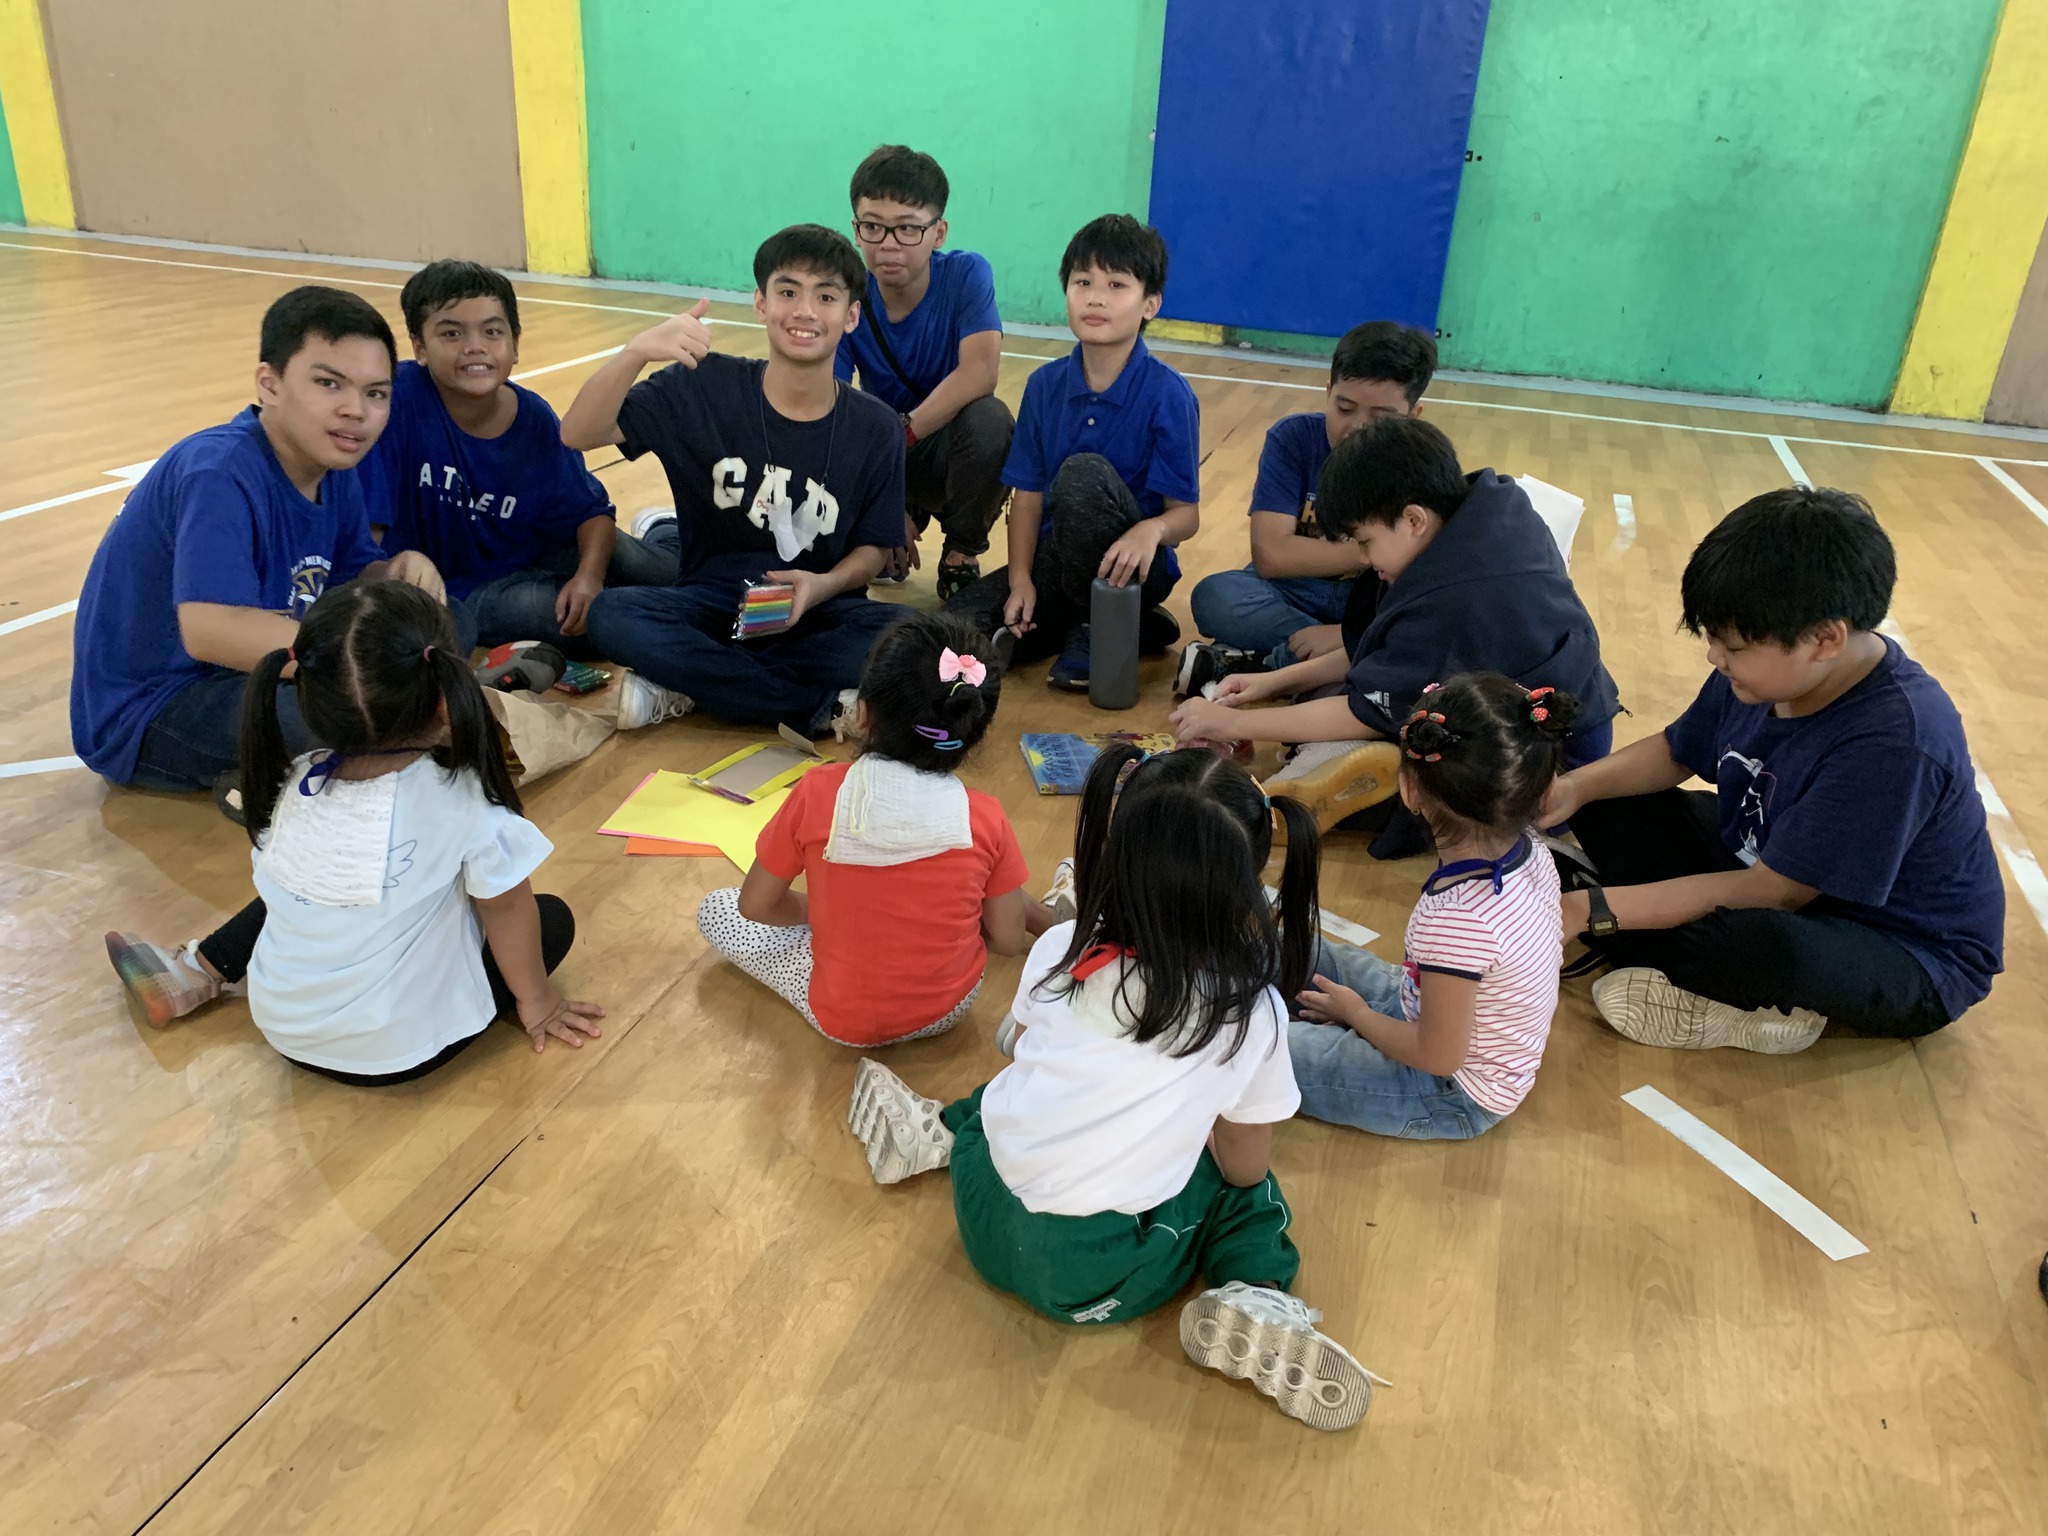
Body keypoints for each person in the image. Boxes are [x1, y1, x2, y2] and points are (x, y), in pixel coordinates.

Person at [844, 747, 1389, 1431]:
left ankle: (938, 1131)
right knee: (1249, 1191)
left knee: (1026, 1082)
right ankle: (1253, 1290)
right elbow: (1244, 1161)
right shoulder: (1249, 1013)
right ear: (1249, 884)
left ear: (1115, 850)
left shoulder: (1065, 944)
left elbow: (1014, 1043)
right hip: (1087, 1272)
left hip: (981, 1206)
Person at [1544, 488, 2004, 1052]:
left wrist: (1594, 907)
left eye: (1731, 646)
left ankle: (1749, 1005)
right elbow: (1677, 751)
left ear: (1824, 639)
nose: (1716, 657)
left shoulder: (1897, 741)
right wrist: (1574, 787)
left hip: (1897, 946)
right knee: (1606, 805)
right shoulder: (1766, 673)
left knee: (1749, 946)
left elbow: (1777, 893)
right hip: (1774, 856)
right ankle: (1649, 939)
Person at [103, 581, 603, 1084]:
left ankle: (195, 972)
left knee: (320, 886)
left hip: (285, 1029)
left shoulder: (298, 779)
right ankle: (200, 973)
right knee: (547, 917)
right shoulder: (464, 801)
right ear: (444, 699)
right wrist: (538, 1003)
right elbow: (508, 910)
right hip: (396, 1052)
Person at [70, 286, 449, 797]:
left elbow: (348, 581)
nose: (355, 410)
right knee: (366, 715)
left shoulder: (333, 463)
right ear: (269, 384)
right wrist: (366, 670)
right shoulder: (218, 472)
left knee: (441, 627)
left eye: (375, 393)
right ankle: (259, 776)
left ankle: (262, 774)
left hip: (264, 667)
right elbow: (211, 630)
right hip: (158, 707)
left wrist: (399, 571)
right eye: (328, 384)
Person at [1170, 416, 1618, 834]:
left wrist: (1234, 726)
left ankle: (1336, 780)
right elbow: (1386, 652)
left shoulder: (1454, 601)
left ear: (1414, 519)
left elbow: (1365, 709)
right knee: (1329, 702)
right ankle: (1328, 761)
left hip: (1546, 778)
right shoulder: (1490, 508)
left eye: (1365, 542)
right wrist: (1270, 683)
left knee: (1410, 763)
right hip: (1564, 727)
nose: (1362, 559)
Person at [571, 226, 906, 734]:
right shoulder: (702, 385)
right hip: (712, 604)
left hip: (817, 612)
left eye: (827, 297)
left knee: (916, 637)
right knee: (612, 615)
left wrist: (822, 586)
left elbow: (875, 551)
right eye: (787, 291)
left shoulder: (877, 426)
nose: (805, 312)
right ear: (760, 302)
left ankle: (692, 682)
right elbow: (578, 432)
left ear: (852, 314)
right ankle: (812, 706)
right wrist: (634, 352)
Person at [697, 612, 1043, 1045]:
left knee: (717, 908)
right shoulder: (985, 815)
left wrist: (822, 911)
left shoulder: (817, 791)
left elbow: (756, 906)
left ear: (861, 713)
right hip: (950, 1008)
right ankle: (1062, 925)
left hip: (844, 1020)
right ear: (974, 730)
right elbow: (1009, 941)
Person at [1290, 674, 1571, 1137]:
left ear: (1409, 791)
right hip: (1430, 1011)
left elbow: (1438, 1056)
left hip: (1446, 1091)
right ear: (1541, 792)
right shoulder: (1532, 850)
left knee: (1257, 1049)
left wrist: (1357, 1016)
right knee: (1307, 949)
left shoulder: (1456, 922)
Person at [944, 215, 1200, 691]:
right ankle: (1113, 625)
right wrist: (1021, 580)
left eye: (1117, 285)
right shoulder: (1044, 386)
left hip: (1135, 569)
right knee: (951, 629)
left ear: (1150, 304)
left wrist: (1151, 530)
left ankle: (1104, 621)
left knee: (1081, 476)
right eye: (1083, 281)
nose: (1096, 297)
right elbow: (1027, 498)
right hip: (1055, 565)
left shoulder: (1169, 395)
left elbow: (1185, 515)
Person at [364, 259, 670, 657]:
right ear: (419, 347)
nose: (475, 346)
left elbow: (591, 511)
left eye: (492, 331)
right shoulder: (394, 405)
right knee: (598, 622)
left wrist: (589, 577)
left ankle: (665, 532)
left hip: (543, 547)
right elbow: (363, 533)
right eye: (451, 333)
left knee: (662, 573)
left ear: (515, 345)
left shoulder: (535, 419)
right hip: (468, 590)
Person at [1180, 322, 1435, 692]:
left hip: (1369, 601)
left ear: (1414, 416)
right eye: (1344, 407)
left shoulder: (1423, 463)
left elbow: (1421, 575)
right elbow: (1271, 555)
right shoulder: (1294, 438)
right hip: (1291, 589)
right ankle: (1345, 657)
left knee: (1419, 623)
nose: (1358, 428)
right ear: (1328, 392)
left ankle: (1267, 665)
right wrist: (1376, 551)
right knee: (1216, 595)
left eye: (1382, 418)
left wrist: (1349, 623)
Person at [836, 145, 1013, 601]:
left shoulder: (966, 274)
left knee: (991, 421)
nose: (888, 244)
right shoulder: (844, 289)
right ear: (856, 229)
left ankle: (961, 553)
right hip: (878, 451)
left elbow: (980, 372)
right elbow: (829, 403)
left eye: (908, 228)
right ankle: (883, 537)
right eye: (872, 226)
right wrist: (879, 500)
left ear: (939, 233)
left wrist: (902, 440)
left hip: (937, 448)